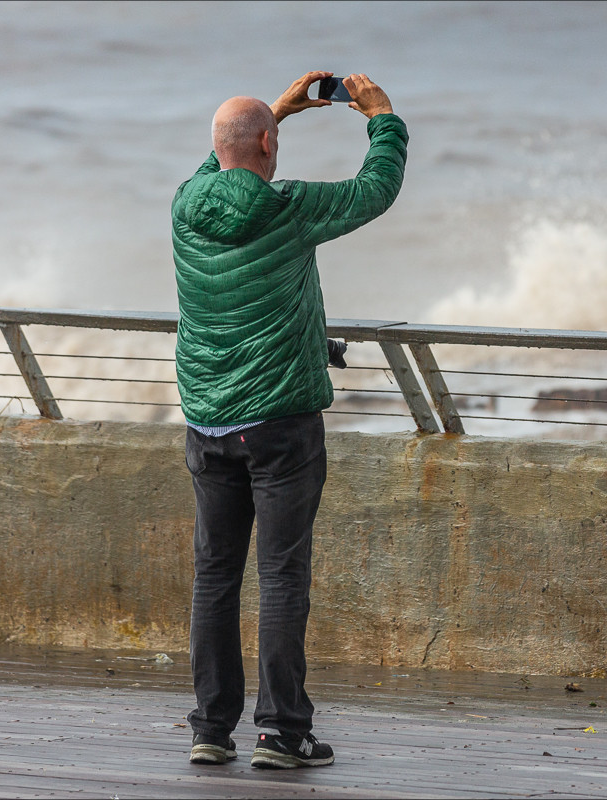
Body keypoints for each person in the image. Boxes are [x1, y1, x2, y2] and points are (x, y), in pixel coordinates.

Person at [171, 70, 407, 769]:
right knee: (280, 576)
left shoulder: (185, 203)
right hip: (278, 424)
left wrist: (275, 112)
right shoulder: (288, 208)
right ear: (270, 148)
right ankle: (281, 733)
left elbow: (216, 165)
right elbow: (376, 189)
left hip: (208, 421)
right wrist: (381, 116)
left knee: (215, 576)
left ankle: (211, 731)